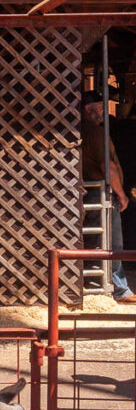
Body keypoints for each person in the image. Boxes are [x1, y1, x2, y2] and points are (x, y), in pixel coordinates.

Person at [81, 90, 136, 303]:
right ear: (88, 109)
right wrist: (122, 195)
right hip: (100, 192)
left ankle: (94, 283)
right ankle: (119, 289)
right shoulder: (96, 133)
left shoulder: (82, 130)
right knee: (113, 242)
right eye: (100, 106)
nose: (105, 111)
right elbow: (108, 167)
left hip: (90, 190)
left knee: (95, 239)